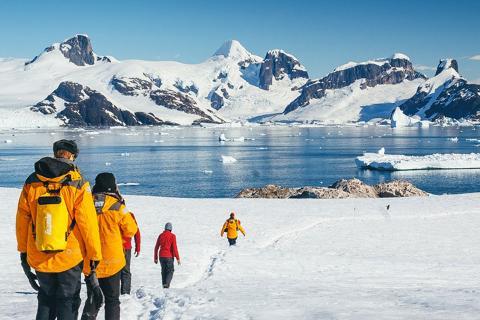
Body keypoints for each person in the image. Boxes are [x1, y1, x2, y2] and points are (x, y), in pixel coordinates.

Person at [16, 139, 103, 320]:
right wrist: (94, 256)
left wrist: (24, 252)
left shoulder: (32, 181)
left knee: (46, 299)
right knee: (67, 301)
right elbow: (88, 224)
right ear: (72, 156)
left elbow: (22, 220)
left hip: (39, 252)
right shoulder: (78, 183)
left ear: (56, 153)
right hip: (69, 257)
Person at [81, 173, 138, 320]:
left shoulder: (85, 204)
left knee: (93, 298)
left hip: (90, 262)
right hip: (112, 262)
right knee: (112, 301)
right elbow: (131, 229)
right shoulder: (118, 207)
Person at [154, 223, 180, 288]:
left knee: (163, 270)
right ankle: (167, 284)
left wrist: (155, 258)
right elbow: (174, 248)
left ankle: (164, 285)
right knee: (170, 270)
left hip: (161, 256)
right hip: (169, 256)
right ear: (171, 229)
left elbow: (156, 247)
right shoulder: (172, 236)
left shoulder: (161, 235)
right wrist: (178, 258)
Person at [120, 213, 141, 295]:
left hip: (114, 247)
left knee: (114, 271)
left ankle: (114, 293)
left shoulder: (111, 213)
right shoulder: (129, 215)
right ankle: (125, 293)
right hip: (126, 247)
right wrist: (137, 247)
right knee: (125, 270)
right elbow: (136, 231)